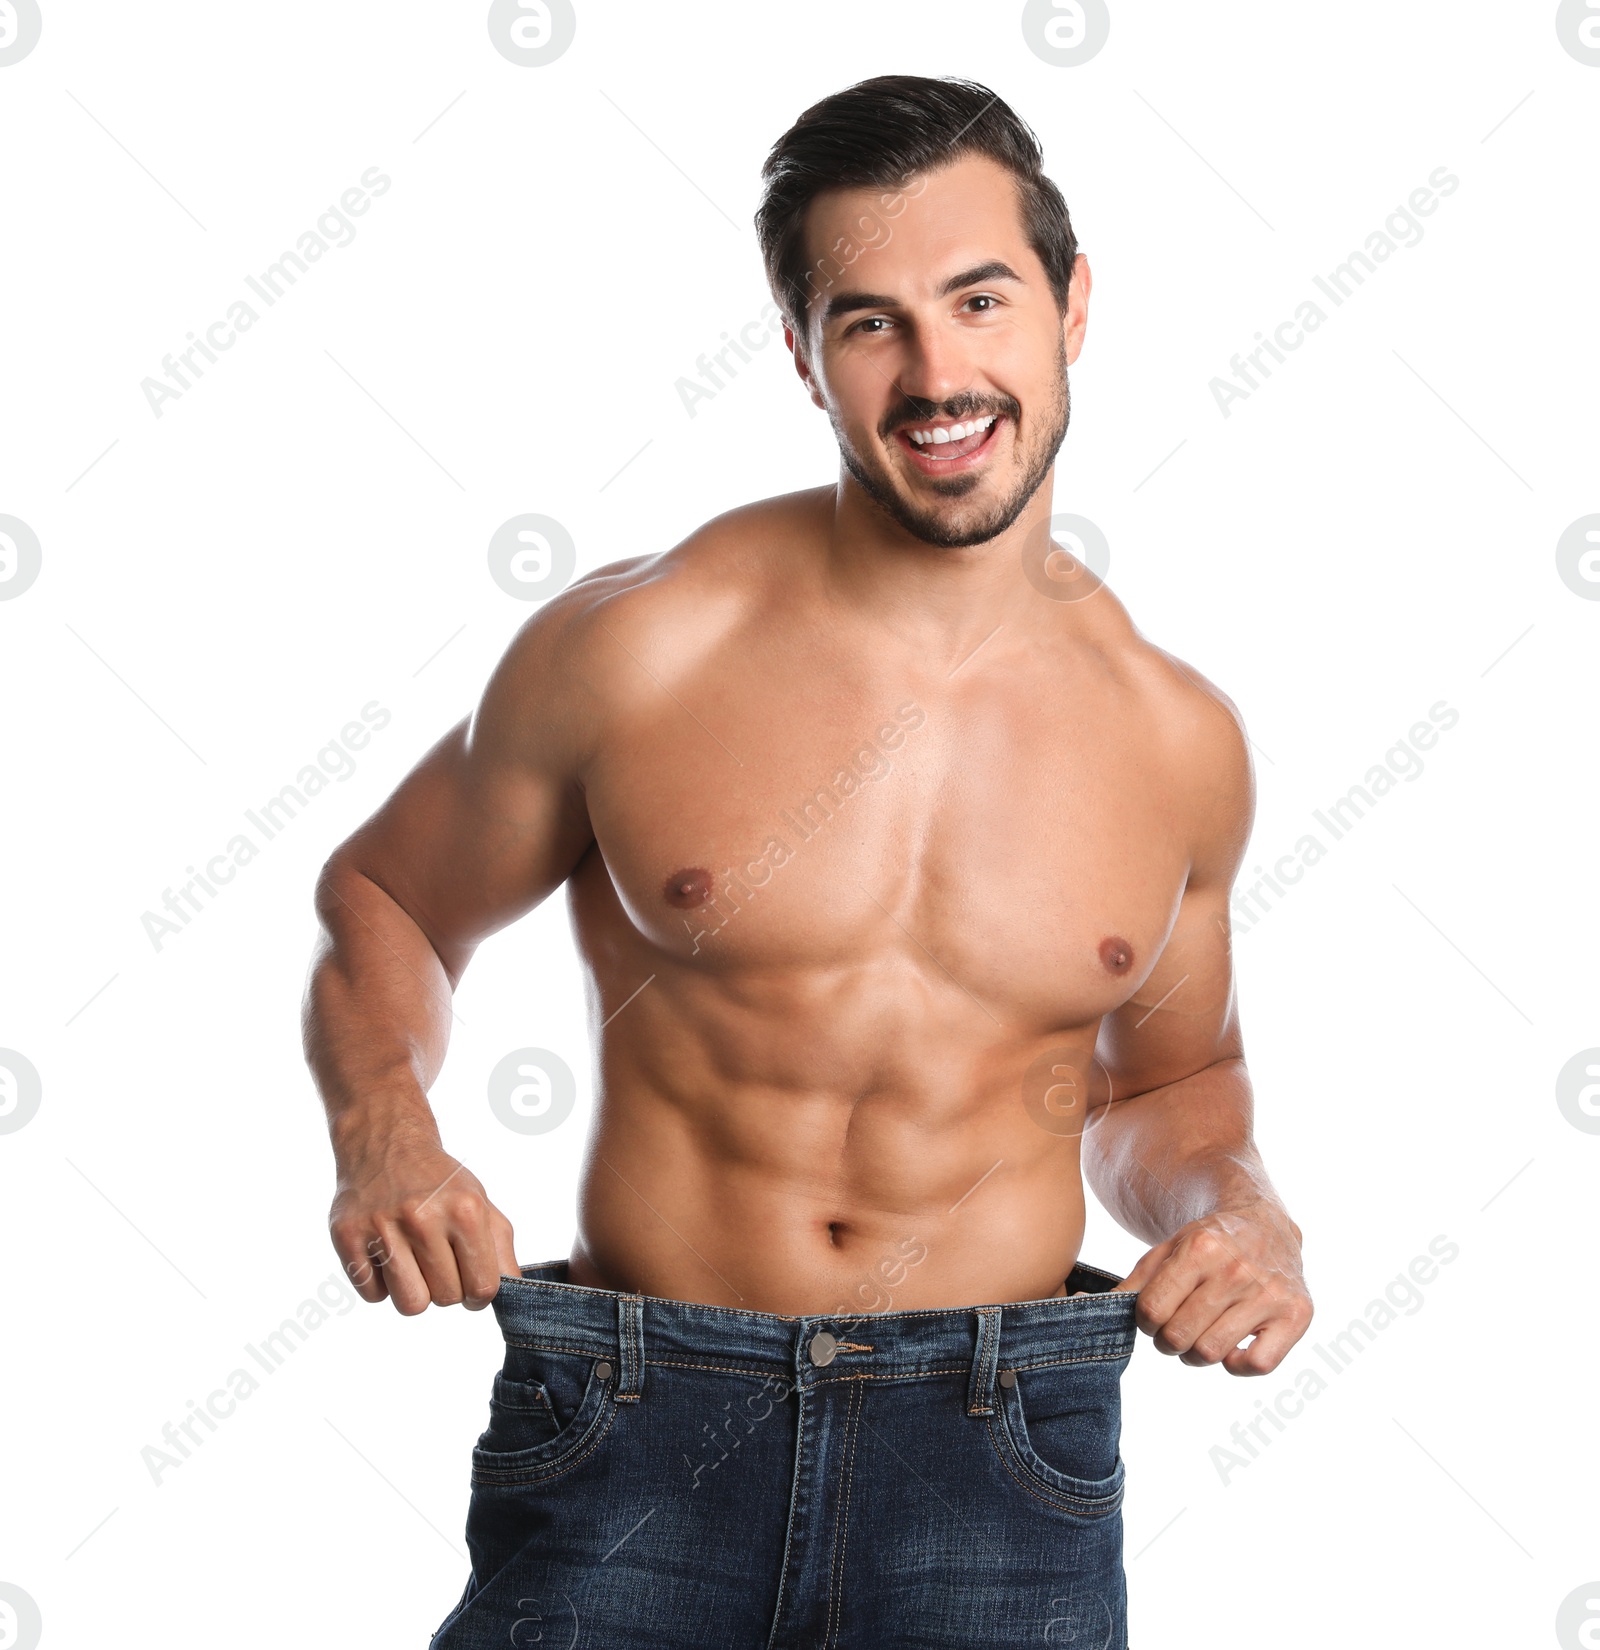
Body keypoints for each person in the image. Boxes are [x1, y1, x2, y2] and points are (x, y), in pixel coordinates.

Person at [303, 73, 1312, 1650]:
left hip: (997, 1448)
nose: (937, 372)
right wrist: (387, 1132)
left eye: (980, 298)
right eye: (869, 321)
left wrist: (1242, 1208)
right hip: (641, 1418)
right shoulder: (639, 648)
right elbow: (391, 899)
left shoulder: (1176, 739)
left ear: (1073, 303)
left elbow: (1168, 1085)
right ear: (801, 354)